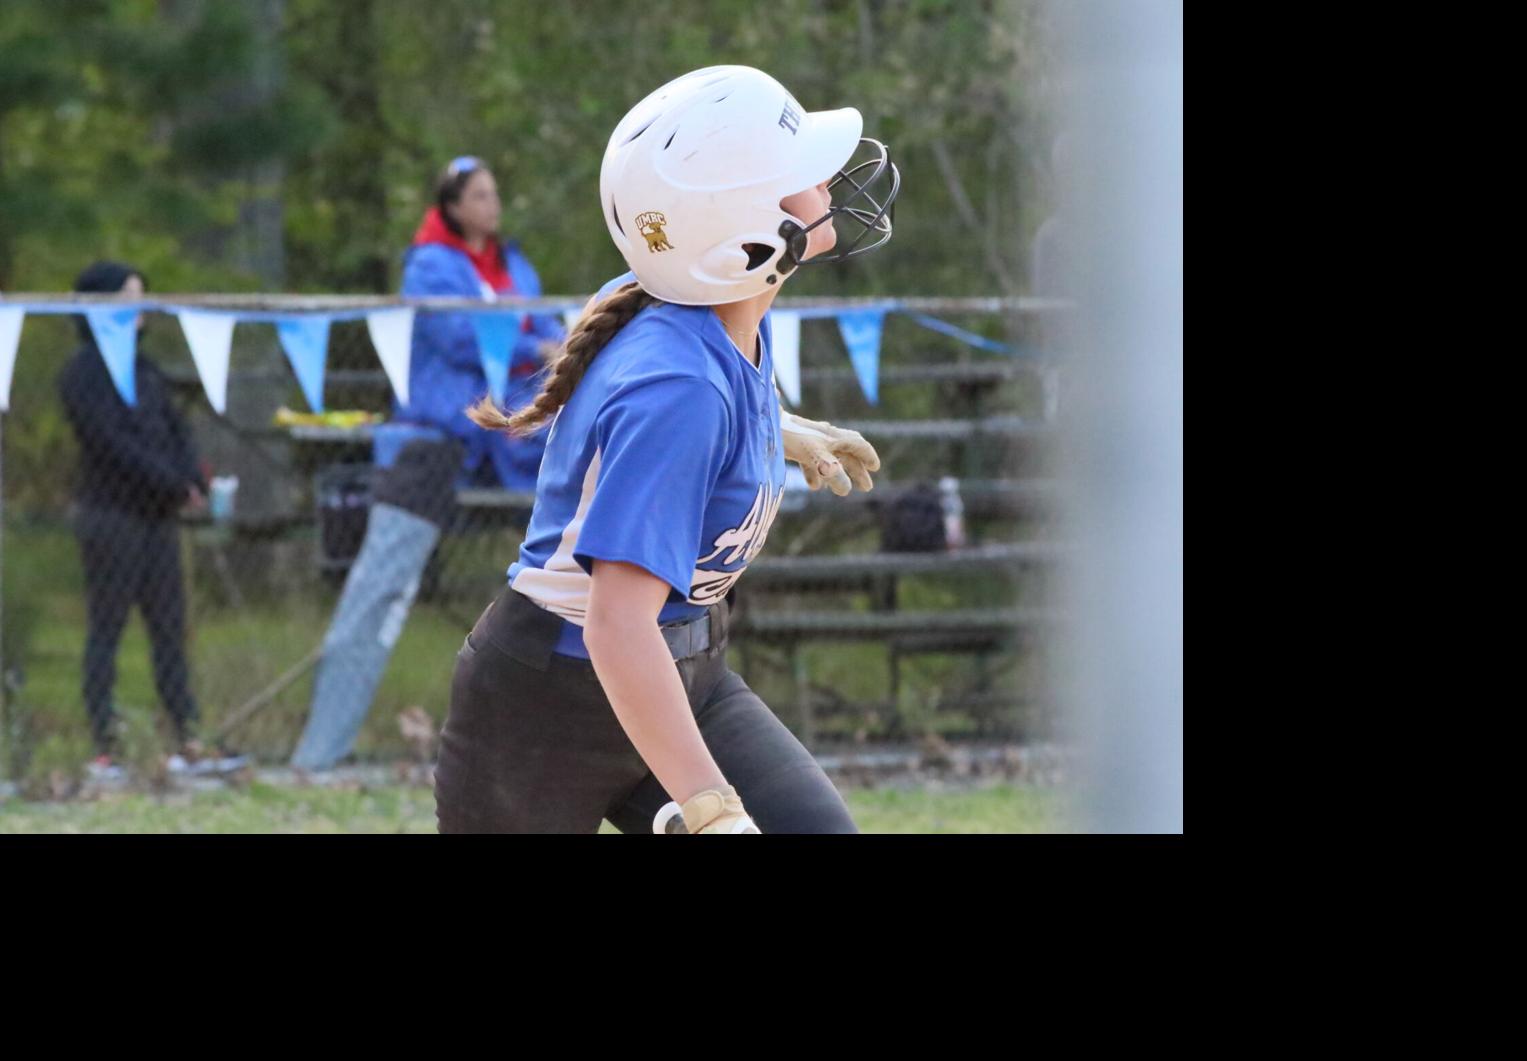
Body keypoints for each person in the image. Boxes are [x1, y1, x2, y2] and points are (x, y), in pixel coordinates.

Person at [433, 65, 900, 833]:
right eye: (800, 173)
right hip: (550, 704)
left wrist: (772, 423)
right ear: (739, 236)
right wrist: (710, 810)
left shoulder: (719, 304)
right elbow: (615, 624)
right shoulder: (680, 386)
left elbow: (671, 398)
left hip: (683, 669)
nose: (828, 180)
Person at [289, 156, 564, 772]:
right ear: (454, 204)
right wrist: (531, 346)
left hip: (515, 437)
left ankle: (560, 747)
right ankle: (319, 752)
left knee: (561, 575)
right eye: (482, 195)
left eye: (496, 193)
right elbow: (459, 338)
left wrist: (546, 344)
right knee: (379, 589)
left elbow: (551, 326)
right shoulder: (430, 265)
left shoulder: (512, 263)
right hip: (441, 435)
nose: (494, 205)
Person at [59, 261, 244, 779]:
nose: (140, 312)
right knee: (107, 631)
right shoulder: (81, 374)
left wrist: (193, 479)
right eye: (128, 299)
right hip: (110, 518)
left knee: (169, 631)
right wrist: (168, 480)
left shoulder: (146, 371)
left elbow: (176, 431)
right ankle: (106, 745)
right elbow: (111, 443)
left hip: (158, 522)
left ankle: (187, 735)